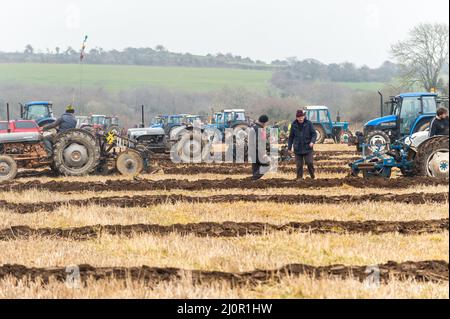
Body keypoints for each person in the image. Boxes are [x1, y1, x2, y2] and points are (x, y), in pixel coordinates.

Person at [288, 110, 317, 179]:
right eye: (299, 117)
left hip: (308, 147)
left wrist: (312, 142)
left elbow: (314, 134)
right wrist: (289, 148)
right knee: (299, 165)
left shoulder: (309, 123)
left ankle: (312, 175)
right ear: (296, 118)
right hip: (298, 148)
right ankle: (299, 178)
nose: (300, 118)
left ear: (304, 116)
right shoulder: (293, 125)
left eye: (301, 117)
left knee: (309, 163)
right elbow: (291, 137)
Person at [250, 115, 270, 180]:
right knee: (266, 165)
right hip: (257, 151)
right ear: (264, 122)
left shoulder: (253, 126)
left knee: (255, 167)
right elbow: (259, 142)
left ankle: (253, 183)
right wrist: (263, 153)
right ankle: (254, 178)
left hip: (252, 150)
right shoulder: (259, 129)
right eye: (266, 123)